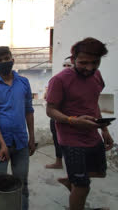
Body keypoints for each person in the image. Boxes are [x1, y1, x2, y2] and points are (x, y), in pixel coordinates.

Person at [46, 37, 114, 210]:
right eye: (84, 63)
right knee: (83, 186)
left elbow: (93, 103)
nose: (89, 68)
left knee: (99, 172)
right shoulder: (60, 80)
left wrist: (104, 130)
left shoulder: (97, 76)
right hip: (70, 139)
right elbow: (50, 110)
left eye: (95, 62)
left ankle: (71, 180)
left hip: (93, 134)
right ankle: (76, 187)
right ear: (73, 58)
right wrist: (72, 120)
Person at [0, 46, 35, 210]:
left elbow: (29, 111)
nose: (4, 62)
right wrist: (3, 144)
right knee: (0, 185)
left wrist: (32, 138)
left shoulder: (24, 82)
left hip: (21, 142)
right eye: (0, 60)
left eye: (6, 59)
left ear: (12, 60)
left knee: (22, 183)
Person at [45, 57, 73, 169]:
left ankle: (72, 165)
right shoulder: (57, 80)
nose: (66, 68)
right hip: (56, 117)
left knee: (71, 143)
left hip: (72, 118)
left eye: (69, 65)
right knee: (57, 140)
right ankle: (58, 162)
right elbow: (49, 100)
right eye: (64, 65)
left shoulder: (78, 83)